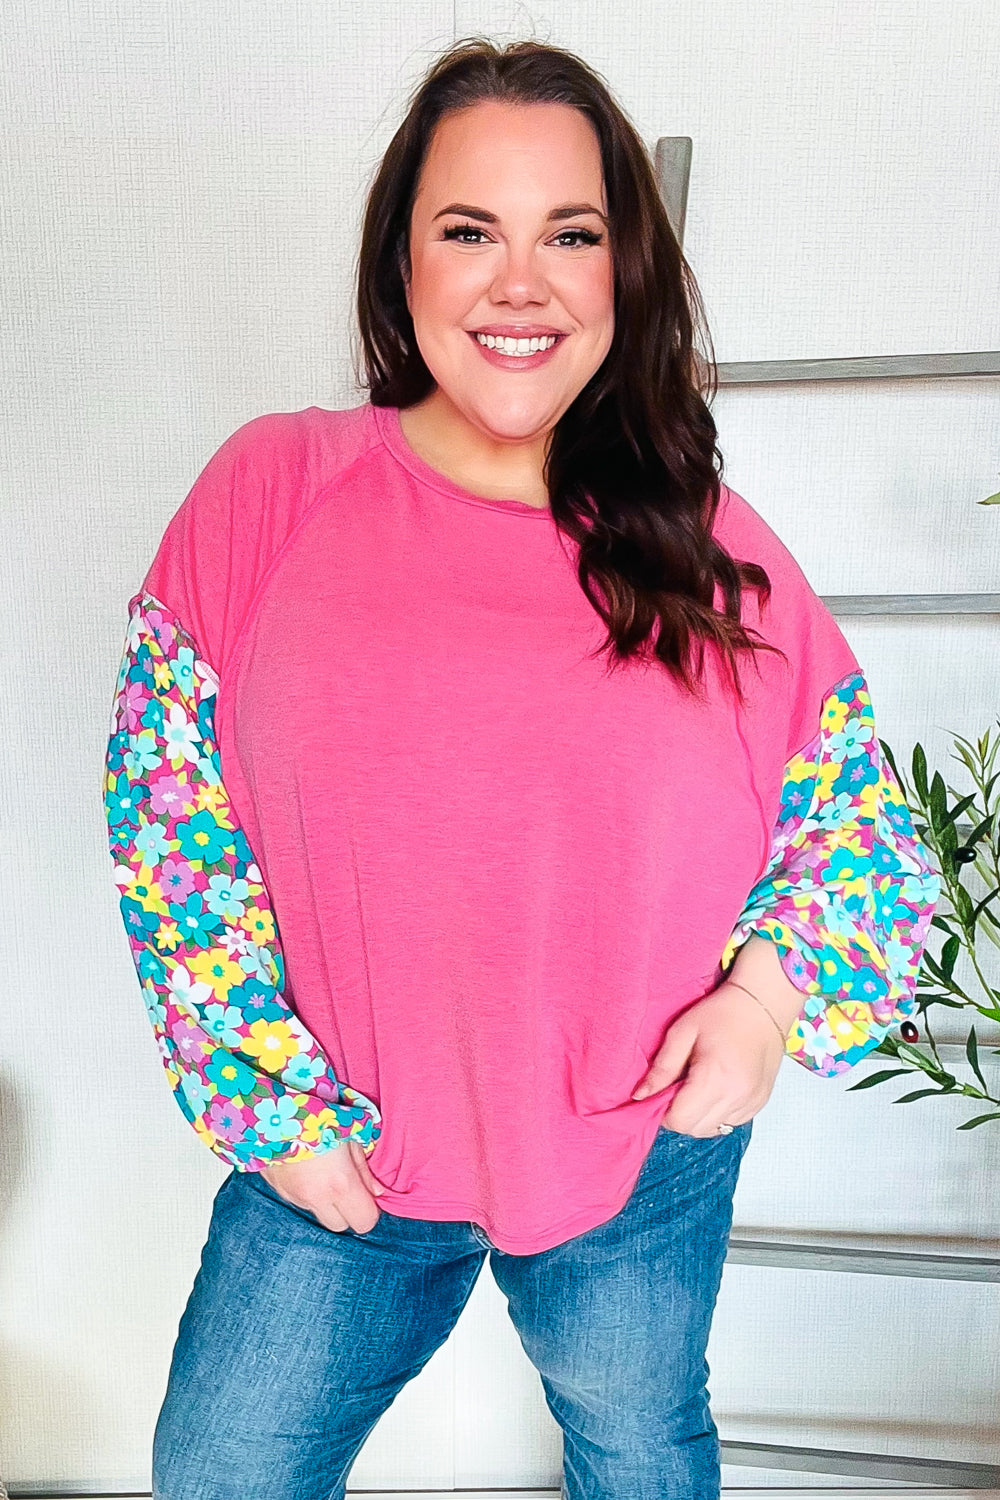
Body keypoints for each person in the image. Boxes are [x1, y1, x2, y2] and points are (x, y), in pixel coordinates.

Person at [102, 37, 940, 1500]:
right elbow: (167, 818)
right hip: (337, 1143)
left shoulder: (703, 545)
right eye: (469, 230)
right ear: (403, 260)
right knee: (222, 1468)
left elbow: (864, 829)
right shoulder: (275, 494)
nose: (520, 283)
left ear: (625, 271)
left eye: (571, 234)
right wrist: (269, 1104)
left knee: (639, 1448)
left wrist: (762, 1007)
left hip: (636, 1145)